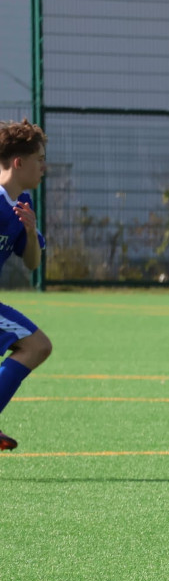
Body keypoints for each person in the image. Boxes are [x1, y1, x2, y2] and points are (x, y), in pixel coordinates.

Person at [0, 120, 52, 452]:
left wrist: (30, 233)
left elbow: (32, 263)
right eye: (40, 159)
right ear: (19, 162)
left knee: (37, 345)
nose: (44, 167)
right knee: (36, 345)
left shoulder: (23, 206)